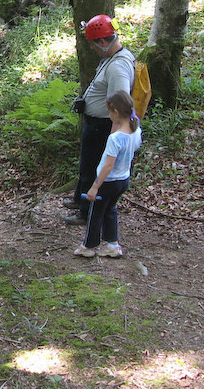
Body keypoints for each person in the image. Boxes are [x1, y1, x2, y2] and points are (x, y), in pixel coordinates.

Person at [65, 14, 136, 225]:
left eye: (94, 45)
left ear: (103, 42)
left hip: (104, 126)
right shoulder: (111, 59)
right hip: (96, 124)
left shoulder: (118, 66)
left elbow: (121, 102)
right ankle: (80, 200)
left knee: (94, 168)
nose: (92, 49)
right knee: (86, 166)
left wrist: (115, 134)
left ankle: (87, 213)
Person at [74, 90, 142, 257]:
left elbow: (108, 165)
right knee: (110, 209)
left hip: (108, 181)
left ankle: (88, 247)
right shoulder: (135, 131)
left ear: (116, 112)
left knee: (95, 213)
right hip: (123, 180)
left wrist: (95, 187)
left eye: (109, 113)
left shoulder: (115, 139)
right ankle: (112, 244)